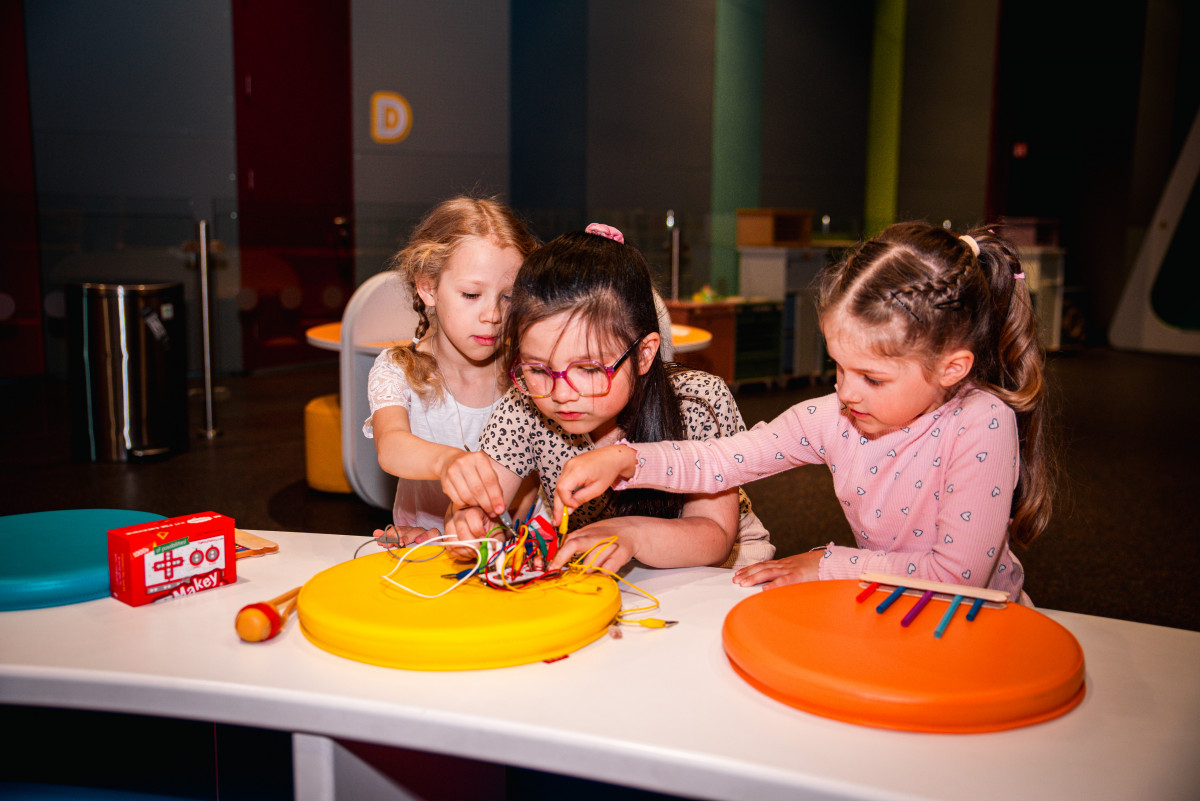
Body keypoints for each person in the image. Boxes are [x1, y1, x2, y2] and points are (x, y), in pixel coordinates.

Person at [552, 222, 1053, 601]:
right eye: (838, 366)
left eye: (873, 378)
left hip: (979, 620)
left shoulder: (982, 422)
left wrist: (825, 565)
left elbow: (957, 576)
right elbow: (723, 459)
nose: (846, 392)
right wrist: (629, 460)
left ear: (951, 368)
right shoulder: (835, 416)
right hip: (885, 601)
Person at [439, 223, 775, 572]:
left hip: (718, 571)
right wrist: (470, 521)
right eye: (537, 369)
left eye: (588, 369)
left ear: (644, 354)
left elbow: (716, 537)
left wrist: (630, 534)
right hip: (601, 570)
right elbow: (482, 503)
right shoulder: (523, 404)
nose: (561, 394)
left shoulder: (698, 401)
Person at [363, 196, 539, 540]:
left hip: (507, 541)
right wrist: (448, 462)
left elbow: (533, 476)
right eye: (471, 295)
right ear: (428, 287)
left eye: (508, 297)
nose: (493, 315)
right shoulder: (397, 369)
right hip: (421, 541)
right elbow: (392, 445)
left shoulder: (529, 372)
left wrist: (505, 532)